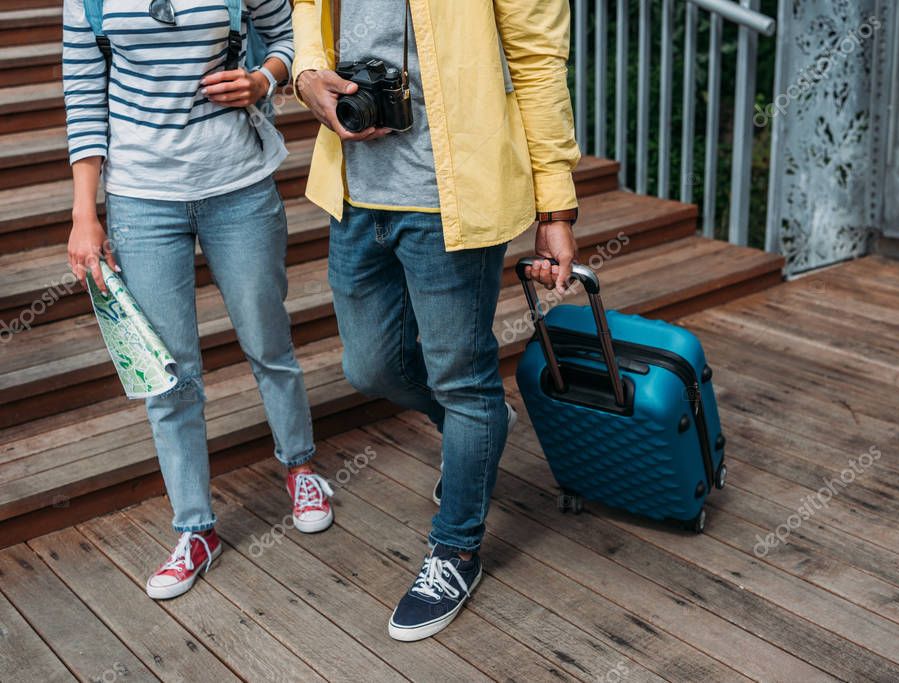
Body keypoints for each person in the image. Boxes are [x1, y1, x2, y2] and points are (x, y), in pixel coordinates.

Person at [292, 0, 580, 640]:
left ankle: (455, 552)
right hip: (353, 193)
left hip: (450, 199)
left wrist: (555, 208)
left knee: (462, 379)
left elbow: (537, 64)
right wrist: (307, 73)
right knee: (370, 367)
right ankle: (478, 425)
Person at [63, 0, 334, 600]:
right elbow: (83, 95)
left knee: (267, 338)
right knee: (169, 371)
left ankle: (301, 467)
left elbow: (287, 35)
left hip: (238, 185)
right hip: (140, 196)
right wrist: (85, 213)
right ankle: (195, 529)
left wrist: (264, 79)